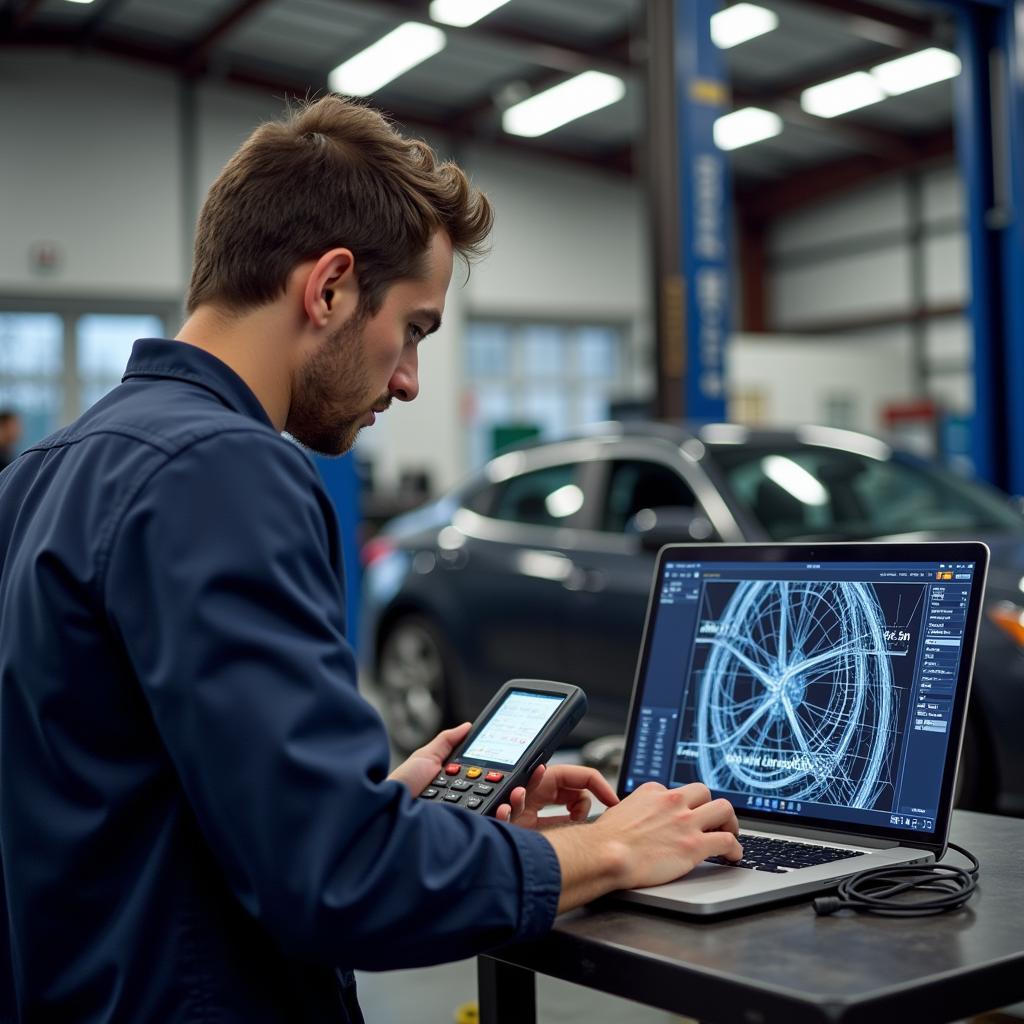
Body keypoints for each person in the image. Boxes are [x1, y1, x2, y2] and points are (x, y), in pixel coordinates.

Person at [0, 96, 742, 1023]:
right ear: (332, 288)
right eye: (417, 329)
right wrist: (608, 850)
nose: (408, 380)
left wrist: (381, 804)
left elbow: (121, 805)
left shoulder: (45, 470)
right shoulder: (224, 471)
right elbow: (338, 881)